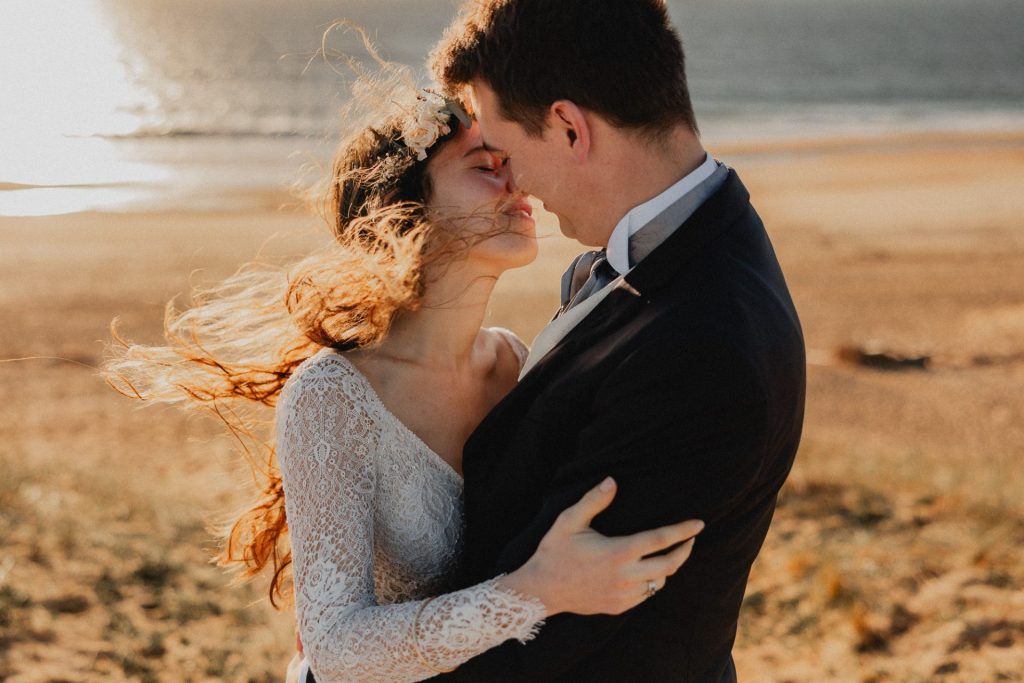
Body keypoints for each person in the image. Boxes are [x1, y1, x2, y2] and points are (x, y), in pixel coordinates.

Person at [105, 71, 704, 683]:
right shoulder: (331, 396)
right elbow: (334, 647)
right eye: (483, 166)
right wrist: (533, 594)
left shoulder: (513, 362)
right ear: (409, 214)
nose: (516, 181)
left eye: (510, 162)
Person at [425, 1, 807, 681]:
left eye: (507, 154)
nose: (514, 185)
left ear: (570, 128)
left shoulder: (703, 349)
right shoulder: (687, 244)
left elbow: (547, 636)